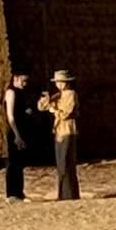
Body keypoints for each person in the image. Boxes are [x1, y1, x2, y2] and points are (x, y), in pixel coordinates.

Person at [37, 70, 80, 201]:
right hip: (59, 131)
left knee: (66, 164)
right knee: (61, 165)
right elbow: (41, 107)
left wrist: (54, 110)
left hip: (67, 130)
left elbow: (66, 113)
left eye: (61, 82)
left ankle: (69, 194)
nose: (59, 85)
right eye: (57, 83)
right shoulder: (58, 95)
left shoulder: (71, 95)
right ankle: (63, 194)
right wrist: (46, 100)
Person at [3, 69, 33, 202]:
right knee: (14, 163)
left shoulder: (21, 93)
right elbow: (11, 117)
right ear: (15, 78)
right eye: (23, 80)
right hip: (15, 133)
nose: (25, 83)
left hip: (22, 131)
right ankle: (11, 194)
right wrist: (17, 136)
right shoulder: (11, 92)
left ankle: (19, 192)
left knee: (20, 163)